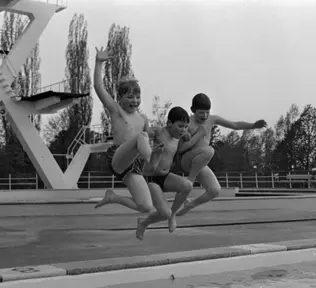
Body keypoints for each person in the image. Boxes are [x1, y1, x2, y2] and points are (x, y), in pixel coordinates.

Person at [93, 46, 164, 215]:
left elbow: (148, 141)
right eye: (130, 97)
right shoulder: (116, 110)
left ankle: (113, 197)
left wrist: (157, 138)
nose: (135, 101)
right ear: (120, 98)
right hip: (118, 158)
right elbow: (98, 87)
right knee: (142, 136)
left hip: (133, 167)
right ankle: (151, 160)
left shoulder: (143, 119)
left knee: (146, 207)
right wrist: (98, 63)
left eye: (138, 97)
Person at [175, 93, 268, 216]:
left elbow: (235, 125)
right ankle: (189, 183)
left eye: (207, 112)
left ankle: (189, 204)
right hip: (187, 160)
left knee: (214, 190)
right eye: (201, 113)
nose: (205, 116)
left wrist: (253, 126)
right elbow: (179, 148)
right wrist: (192, 136)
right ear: (193, 110)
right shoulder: (187, 122)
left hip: (201, 161)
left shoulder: (212, 119)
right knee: (209, 150)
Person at [134, 107, 194, 240]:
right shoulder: (159, 132)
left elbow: (187, 135)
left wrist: (187, 134)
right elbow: (141, 136)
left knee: (187, 186)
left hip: (165, 177)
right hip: (151, 178)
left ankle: (173, 215)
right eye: (180, 126)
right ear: (169, 123)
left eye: (185, 127)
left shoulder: (180, 136)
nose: (183, 130)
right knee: (164, 213)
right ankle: (143, 223)